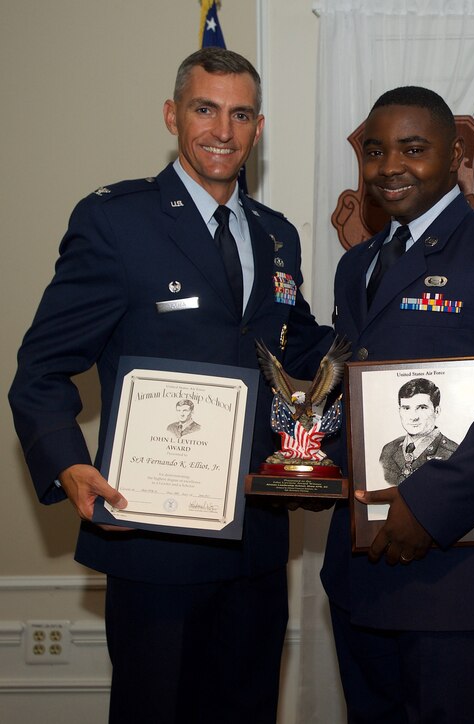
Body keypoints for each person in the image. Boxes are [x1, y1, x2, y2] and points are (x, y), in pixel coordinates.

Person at [8, 48, 331, 724]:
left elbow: (293, 341)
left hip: (258, 533)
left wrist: (401, 345)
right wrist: (68, 461)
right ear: (171, 115)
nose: (223, 130)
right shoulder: (117, 222)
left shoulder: (275, 237)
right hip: (154, 541)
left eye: (240, 114)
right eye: (204, 109)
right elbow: (40, 367)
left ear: (259, 127)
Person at [321, 86, 474, 723]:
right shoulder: (357, 266)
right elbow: (351, 387)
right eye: (375, 151)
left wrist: (429, 504)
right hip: (361, 567)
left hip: (457, 570)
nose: (389, 166)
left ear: (455, 153)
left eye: (413, 148)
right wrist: (312, 451)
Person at [378, 378, 459, 487]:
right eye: (406, 408)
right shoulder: (389, 449)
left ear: (437, 411)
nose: (413, 417)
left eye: (422, 408)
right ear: (399, 411)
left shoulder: (454, 454)